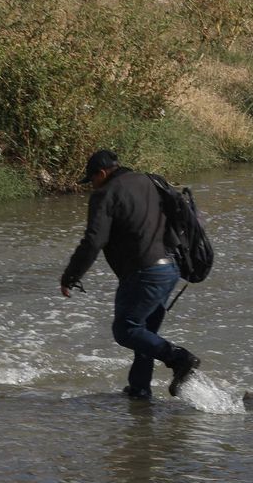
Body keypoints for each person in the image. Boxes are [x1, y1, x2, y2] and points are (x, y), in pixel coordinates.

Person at [59, 150, 201, 399]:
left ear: (102, 174)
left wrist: (71, 276)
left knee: (126, 330)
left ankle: (180, 359)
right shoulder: (150, 181)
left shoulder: (105, 194)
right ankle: (139, 390)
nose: (91, 185)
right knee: (143, 333)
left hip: (144, 273)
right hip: (170, 269)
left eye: (91, 179)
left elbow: (94, 241)